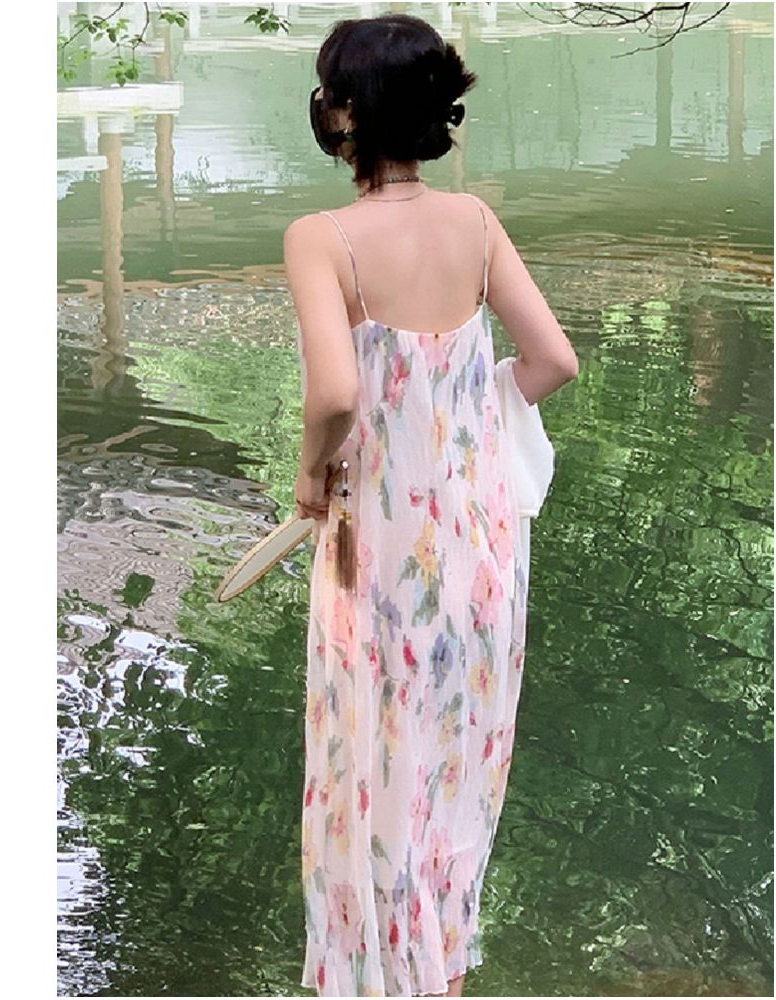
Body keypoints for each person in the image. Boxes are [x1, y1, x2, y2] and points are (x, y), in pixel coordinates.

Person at [284, 13, 578, 998]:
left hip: (378, 550)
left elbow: (336, 394)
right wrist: (463, 416)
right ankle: (440, 973)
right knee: (452, 769)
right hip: (478, 550)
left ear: (344, 114)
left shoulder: (321, 239)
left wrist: (309, 473)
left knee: (371, 769)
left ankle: (371, 977)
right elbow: (553, 361)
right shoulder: (476, 224)